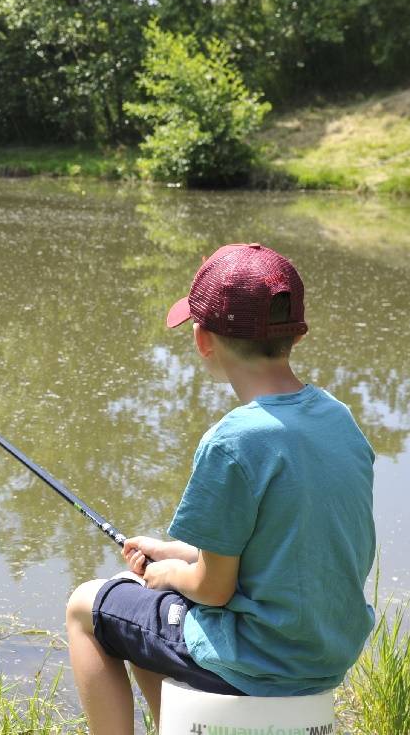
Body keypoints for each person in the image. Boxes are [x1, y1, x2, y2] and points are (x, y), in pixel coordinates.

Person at [65, 243, 376, 735]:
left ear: (202, 339)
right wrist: (176, 552)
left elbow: (213, 589)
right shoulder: (337, 420)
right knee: (142, 610)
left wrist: (169, 573)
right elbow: (285, 544)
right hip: (324, 653)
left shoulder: (232, 441)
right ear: (297, 333)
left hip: (256, 659)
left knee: (87, 606)